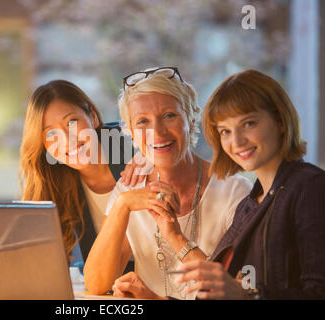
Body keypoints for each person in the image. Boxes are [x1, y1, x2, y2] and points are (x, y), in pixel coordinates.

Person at [112, 69, 325, 300]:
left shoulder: (309, 188)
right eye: (225, 130)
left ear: (281, 121)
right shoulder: (251, 204)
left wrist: (248, 295)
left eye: (249, 123)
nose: (236, 141)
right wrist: (152, 299)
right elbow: (216, 291)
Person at [83, 67, 252, 299]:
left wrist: (175, 237)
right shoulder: (129, 189)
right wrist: (122, 204)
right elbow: (96, 283)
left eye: (169, 116)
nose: (157, 132)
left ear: (192, 120)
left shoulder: (235, 190)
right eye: (142, 121)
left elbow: (237, 293)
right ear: (131, 132)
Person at [19, 79, 137, 267]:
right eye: (50, 134)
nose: (66, 140)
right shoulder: (55, 182)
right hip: (107, 291)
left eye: (72, 122)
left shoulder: (136, 150)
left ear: (93, 116)